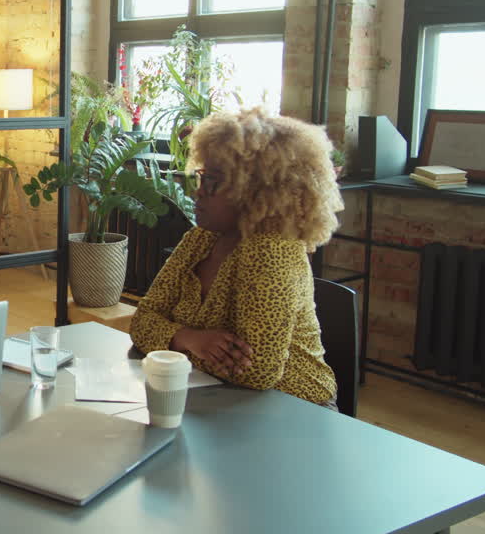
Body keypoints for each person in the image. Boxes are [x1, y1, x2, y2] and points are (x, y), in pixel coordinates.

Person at [129, 108, 344, 407]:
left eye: (213, 181)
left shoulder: (272, 252)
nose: (197, 192)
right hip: (215, 397)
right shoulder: (201, 239)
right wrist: (189, 339)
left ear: (255, 191)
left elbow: (257, 373)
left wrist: (166, 345)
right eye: (201, 177)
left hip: (294, 409)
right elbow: (141, 321)